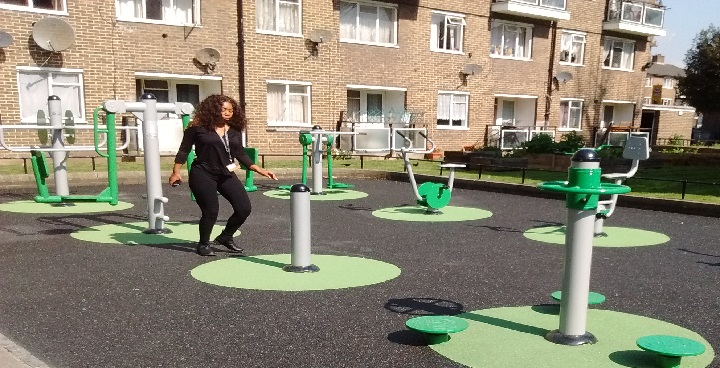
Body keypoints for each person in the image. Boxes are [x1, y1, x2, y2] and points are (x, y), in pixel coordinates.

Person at [169, 94, 277, 256]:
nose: (228, 113)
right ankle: (204, 244)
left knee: (243, 208)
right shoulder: (198, 128)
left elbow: (240, 154)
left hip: (226, 173)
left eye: (231, 110)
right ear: (213, 109)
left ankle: (226, 236)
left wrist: (259, 169)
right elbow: (184, 150)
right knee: (211, 210)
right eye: (224, 109)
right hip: (203, 173)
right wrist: (176, 171)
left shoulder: (234, 131)